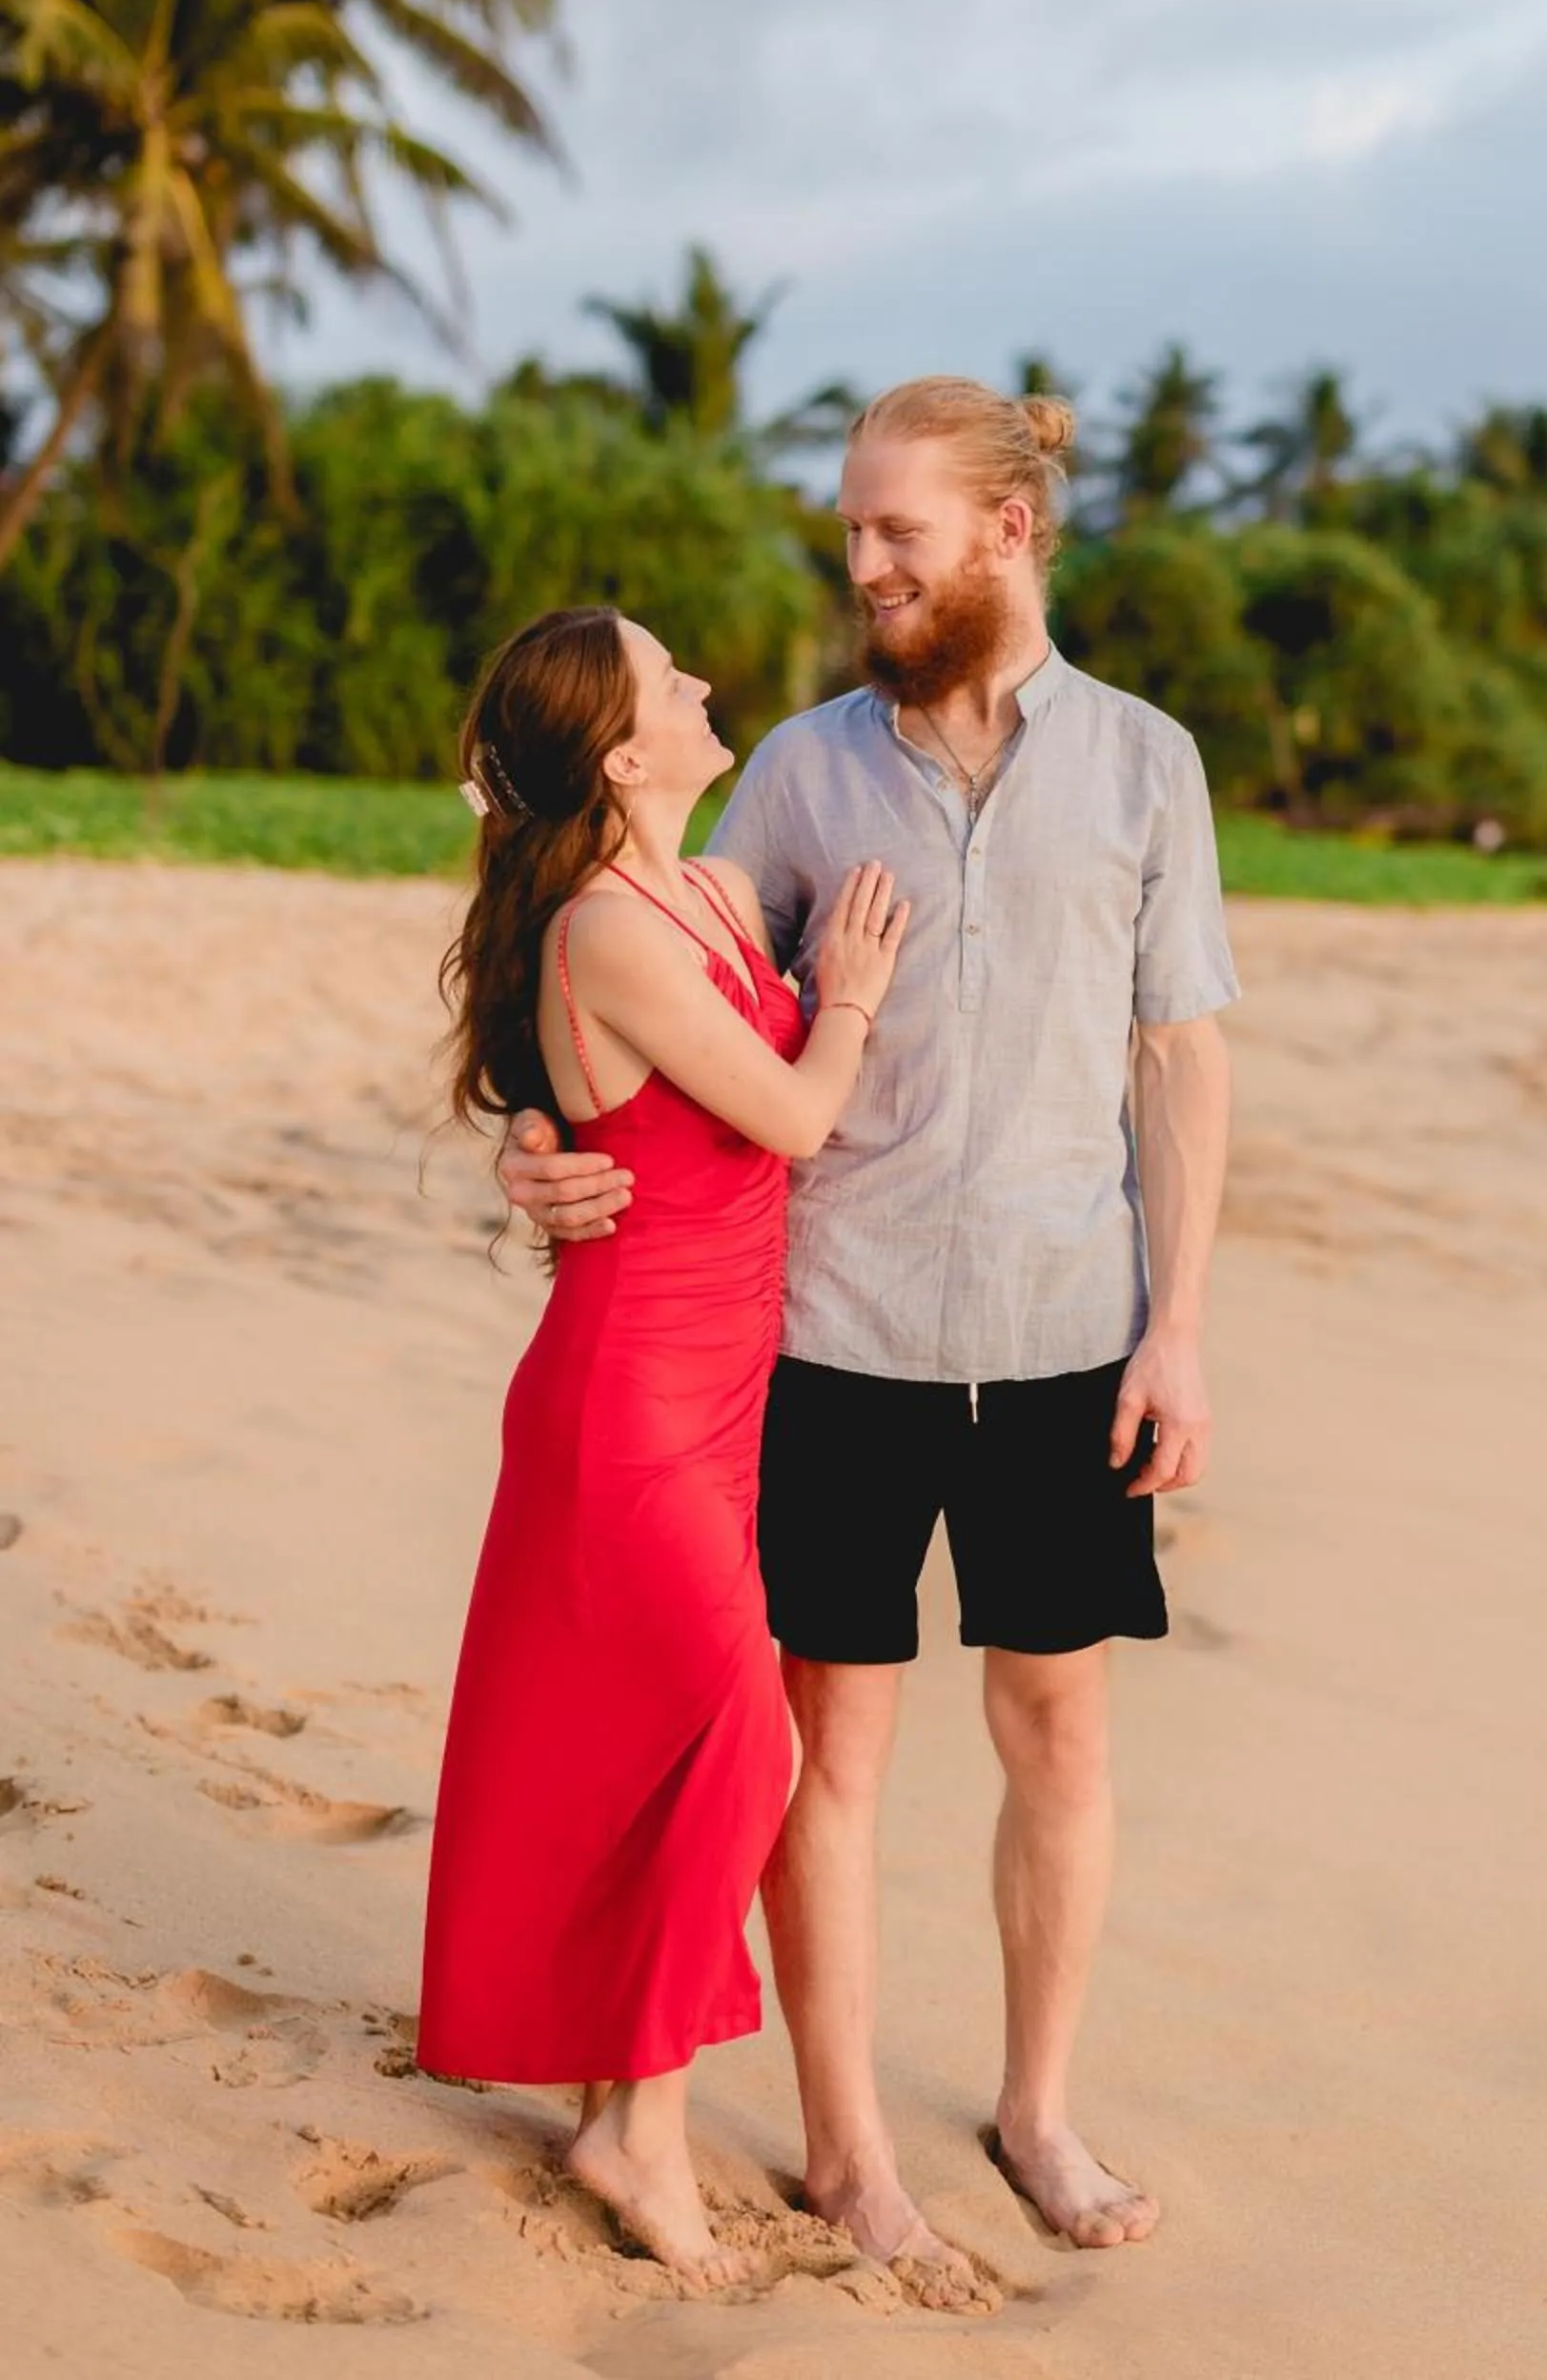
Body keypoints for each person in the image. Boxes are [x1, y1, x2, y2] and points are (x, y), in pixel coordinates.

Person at [501, 380, 1236, 2313]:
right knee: (833, 1748)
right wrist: (536, 1121)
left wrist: (1178, 1327)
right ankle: (843, 2153)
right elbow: (629, 948)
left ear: (1009, 532)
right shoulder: (804, 775)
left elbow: (1178, 1051)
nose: (862, 569)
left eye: (895, 534)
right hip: (827, 1344)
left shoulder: (1150, 765)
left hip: (1069, 1337)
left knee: (1056, 1727)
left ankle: (1038, 2115)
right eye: (849, 532)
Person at [420, 602, 907, 2291]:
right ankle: (640, 2122)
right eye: (671, 678)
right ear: (625, 753)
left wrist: (540, 1133)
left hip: (724, 1394)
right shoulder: (605, 927)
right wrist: (844, 999)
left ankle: (628, 2104)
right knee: (737, 1744)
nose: (706, 685)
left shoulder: (700, 890)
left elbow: (613, 1102)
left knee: (694, 1751)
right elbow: (786, 1115)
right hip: (625, 1396)